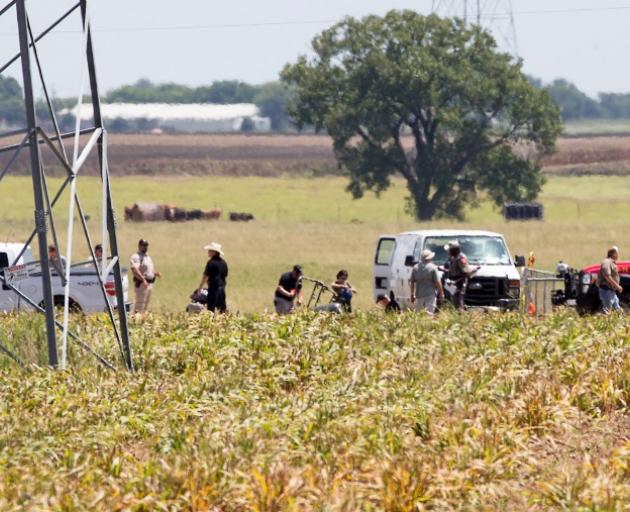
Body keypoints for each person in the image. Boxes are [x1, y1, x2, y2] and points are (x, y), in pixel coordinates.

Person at [444, 240, 479, 310]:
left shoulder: (460, 258)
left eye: (449, 250)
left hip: (459, 283)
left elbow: (466, 271)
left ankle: (460, 316)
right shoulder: (453, 258)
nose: (448, 252)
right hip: (452, 282)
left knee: (459, 302)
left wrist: (474, 269)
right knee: (454, 301)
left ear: (454, 250)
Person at [130, 239, 161, 314]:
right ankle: (135, 319)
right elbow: (134, 269)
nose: (145, 247)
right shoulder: (136, 256)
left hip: (149, 283)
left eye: (146, 245)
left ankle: (142, 320)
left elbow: (148, 270)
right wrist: (143, 279)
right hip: (141, 284)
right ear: (139, 246)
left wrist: (155, 273)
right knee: (140, 304)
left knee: (145, 305)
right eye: (143, 245)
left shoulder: (147, 257)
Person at [196, 242, 228, 313]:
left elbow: (206, 276)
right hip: (222, 289)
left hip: (213, 289)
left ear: (214, 252)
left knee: (211, 309)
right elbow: (224, 275)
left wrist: (200, 288)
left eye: (210, 250)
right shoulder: (223, 263)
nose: (208, 252)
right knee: (222, 309)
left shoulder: (211, 263)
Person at [410, 249, 444, 314]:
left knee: (419, 314)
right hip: (430, 294)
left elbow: (412, 282)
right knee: (429, 313)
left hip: (419, 295)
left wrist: (412, 294)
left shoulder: (415, 267)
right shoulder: (433, 267)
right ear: (430, 258)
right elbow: (438, 282)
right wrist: (441, 293)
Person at [597, 245, 623, 313]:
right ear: (613, 253)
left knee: (618, 310)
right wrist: (618, 286)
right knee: (607, 311)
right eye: (617, 253)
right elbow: (607, 276)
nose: (618, 255)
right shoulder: (607, 262)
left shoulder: (611, 263)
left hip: (611, 291)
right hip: (606, 291)